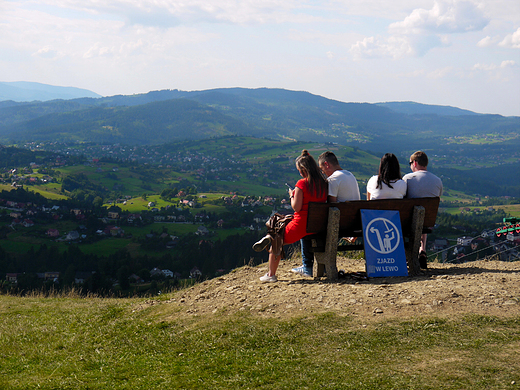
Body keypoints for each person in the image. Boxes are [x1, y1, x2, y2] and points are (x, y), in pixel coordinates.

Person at [252, 150, 327, 282]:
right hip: (317, 224)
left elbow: (296, 207)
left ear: (304, 170)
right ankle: (269, 237)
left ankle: (271, 275)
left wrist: (292, 195)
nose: (299, 173)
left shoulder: (302, 184)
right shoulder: (323, 183)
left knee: (277, 240)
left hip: (302, 224)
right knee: (280, 225)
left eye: (299, 170)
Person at [292, 151, 361, 277]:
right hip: (354, 223)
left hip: (340, 224)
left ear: (326, 164)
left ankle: (307, 265)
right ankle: (319, 267)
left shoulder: (333, 179)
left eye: (321, 168)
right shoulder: (350, 175)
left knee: (308, 223)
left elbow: (330, 205)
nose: (322, 172)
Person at [403, 151, 443, 268]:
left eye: (410, 163)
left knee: (415, 215)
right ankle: (423, 249)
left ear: (415, 163)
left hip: (408, 221)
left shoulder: (407, 179)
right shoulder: (437, 180)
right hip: (427, 222)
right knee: (423, 217)